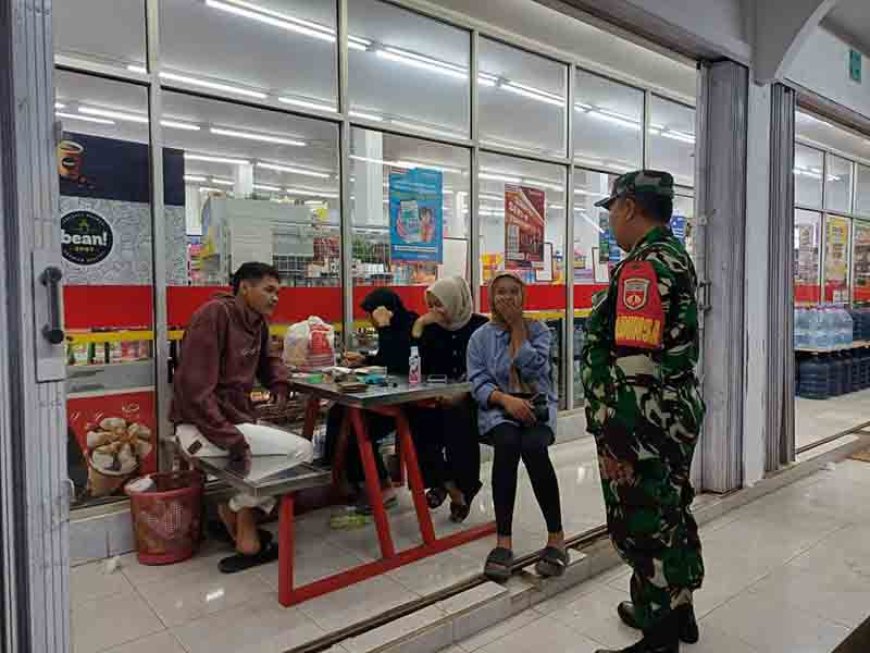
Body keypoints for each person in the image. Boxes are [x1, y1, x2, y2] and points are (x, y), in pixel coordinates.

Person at [580, 170, 705, 653]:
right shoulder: (676, 257)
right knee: (673, 510)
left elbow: (634, 361)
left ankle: (659, 636)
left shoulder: (642, 268)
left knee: (643, 522)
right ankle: (679, 607)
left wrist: (617, 432)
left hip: (642, 421)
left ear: (630, 207)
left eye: (612, 209)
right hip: (674, 412)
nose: (610, 219)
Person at [170, 262, 313, 571]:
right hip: (198, 427)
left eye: (279, 292)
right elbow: (194, 391)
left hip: (228, 420)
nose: (275, 298)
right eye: (269, 290)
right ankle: (243, 521)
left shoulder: (257, 322)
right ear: (244, 288)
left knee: (263, 452)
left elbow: (268, 360)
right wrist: (232, 438)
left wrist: (278, 381)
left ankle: (233, 516)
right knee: (302, 451)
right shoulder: (214, 315)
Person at [467, 271, 567, 581]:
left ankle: (556, 537)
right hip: (500, 409)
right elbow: (477, 383)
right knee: (507, 446)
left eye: (514, 292)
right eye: (501, 293)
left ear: (523, 297)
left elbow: (537, 370)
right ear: (491, 298)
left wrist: (518, 329)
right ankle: (503, 541)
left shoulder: (539, 331)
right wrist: (505, 401)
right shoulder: (480, 338)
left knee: (534, 448)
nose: (507, 298)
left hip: (537, 407)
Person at [324, 289, 419, 512]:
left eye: (371, 315)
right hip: (387, 397)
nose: (369, 320)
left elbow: (399, 361)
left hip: (409, 402)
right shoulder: (397, 326)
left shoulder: (412, 325)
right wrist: (365, 359)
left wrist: (384, 328)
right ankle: (339, 476)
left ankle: (382, 486)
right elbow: (387, 359)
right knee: (338, 412)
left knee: (357, 427)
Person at [408, 276, 487, 522]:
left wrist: (461, 393)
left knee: (458, 419)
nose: (434, 311)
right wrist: (419, 327)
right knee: (416, 421)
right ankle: (447, 484)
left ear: (455, 300)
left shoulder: (481, 327)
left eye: (439, 304)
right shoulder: (431, 329)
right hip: (437, 395)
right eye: (430, 305)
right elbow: (414, 367)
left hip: (475, 395)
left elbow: (489, 369)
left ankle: (465, 486)